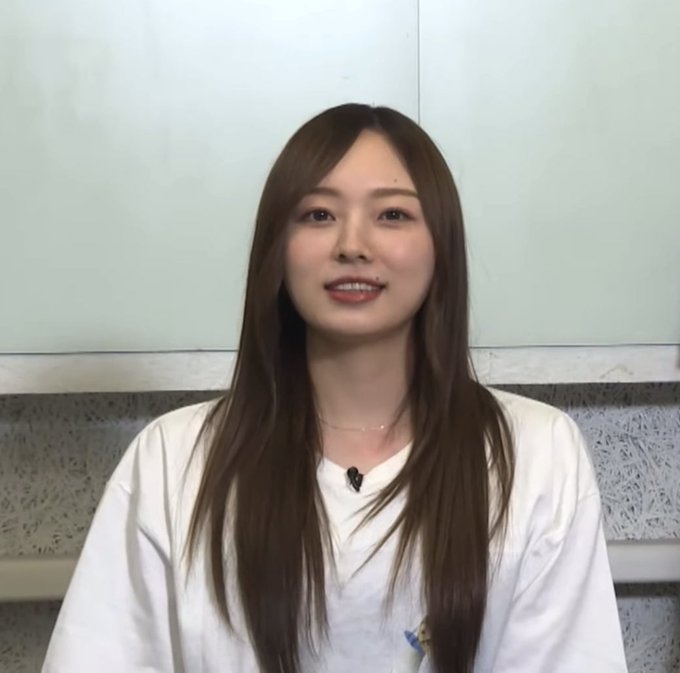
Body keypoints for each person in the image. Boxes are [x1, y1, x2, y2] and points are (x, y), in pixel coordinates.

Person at [41, 104, 628, 673]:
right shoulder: (172, 461)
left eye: (392, 215)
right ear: (277, 247)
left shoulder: (538, 455)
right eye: (319, 215)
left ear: (441, 245)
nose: (352, 245)